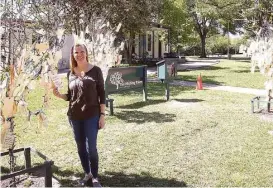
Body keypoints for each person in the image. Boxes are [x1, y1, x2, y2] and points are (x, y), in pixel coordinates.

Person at [53, 43, 105, 187]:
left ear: (86, 53)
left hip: (92, 114)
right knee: (81, 146)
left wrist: (102, 114)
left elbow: (102, 94)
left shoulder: (96, 71)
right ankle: (87, 173)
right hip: (74, 116)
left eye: (82, 51)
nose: (79, 54)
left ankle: (95, 177)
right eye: (76, 52)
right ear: (73, 55)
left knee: (92, 148)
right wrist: (59, 95)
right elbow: (70, 96)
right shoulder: (71, 73)